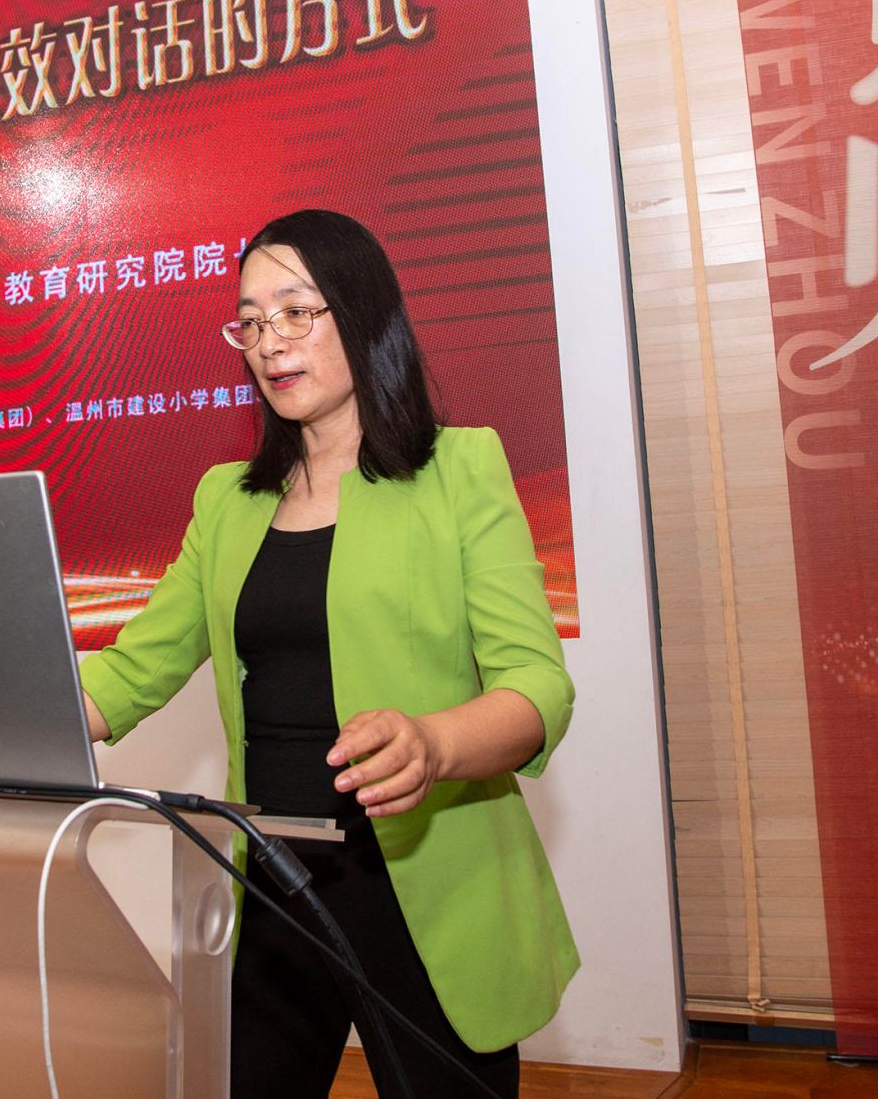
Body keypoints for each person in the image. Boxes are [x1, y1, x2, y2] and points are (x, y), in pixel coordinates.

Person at [79, 209, 577, 1098]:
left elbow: (537, 685)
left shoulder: (460, 470)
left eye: (296, 311)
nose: (270, 341)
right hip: (275, 878)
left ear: (363, 312)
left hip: (421, 881)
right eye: (251, 322)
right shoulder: (226, 500)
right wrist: (3, 708)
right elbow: (132, 670)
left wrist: (434, 743)